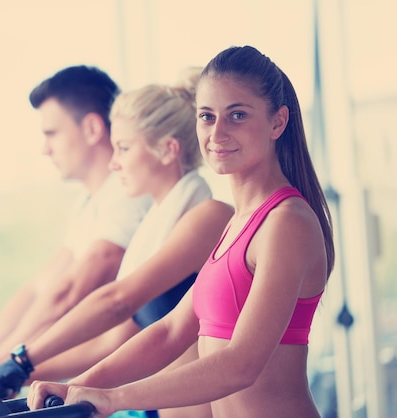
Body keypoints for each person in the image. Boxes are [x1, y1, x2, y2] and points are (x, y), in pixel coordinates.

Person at [27, 45, 335, 418]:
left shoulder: (286, 222)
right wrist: (83, 386)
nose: (217, 132)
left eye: (237, 115)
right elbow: (171, 331)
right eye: (207, 117)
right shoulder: (237, 222)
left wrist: (116, 398)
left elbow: (241, 364)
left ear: (277, 122)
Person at [0, 67, 233, 418]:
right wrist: (20, 376)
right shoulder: (154, 226)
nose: (114, 163)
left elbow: (117, 300)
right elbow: (114, 340)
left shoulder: (207, 217)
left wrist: (21, 360)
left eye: (124, 148)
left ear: (167, 150)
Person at [0, 66, 152, 369]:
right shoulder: (89, 204)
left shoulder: (130, 195)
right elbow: (40, 289)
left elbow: (67, 294)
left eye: (52, 133)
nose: (45, 149)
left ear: (91, 129)